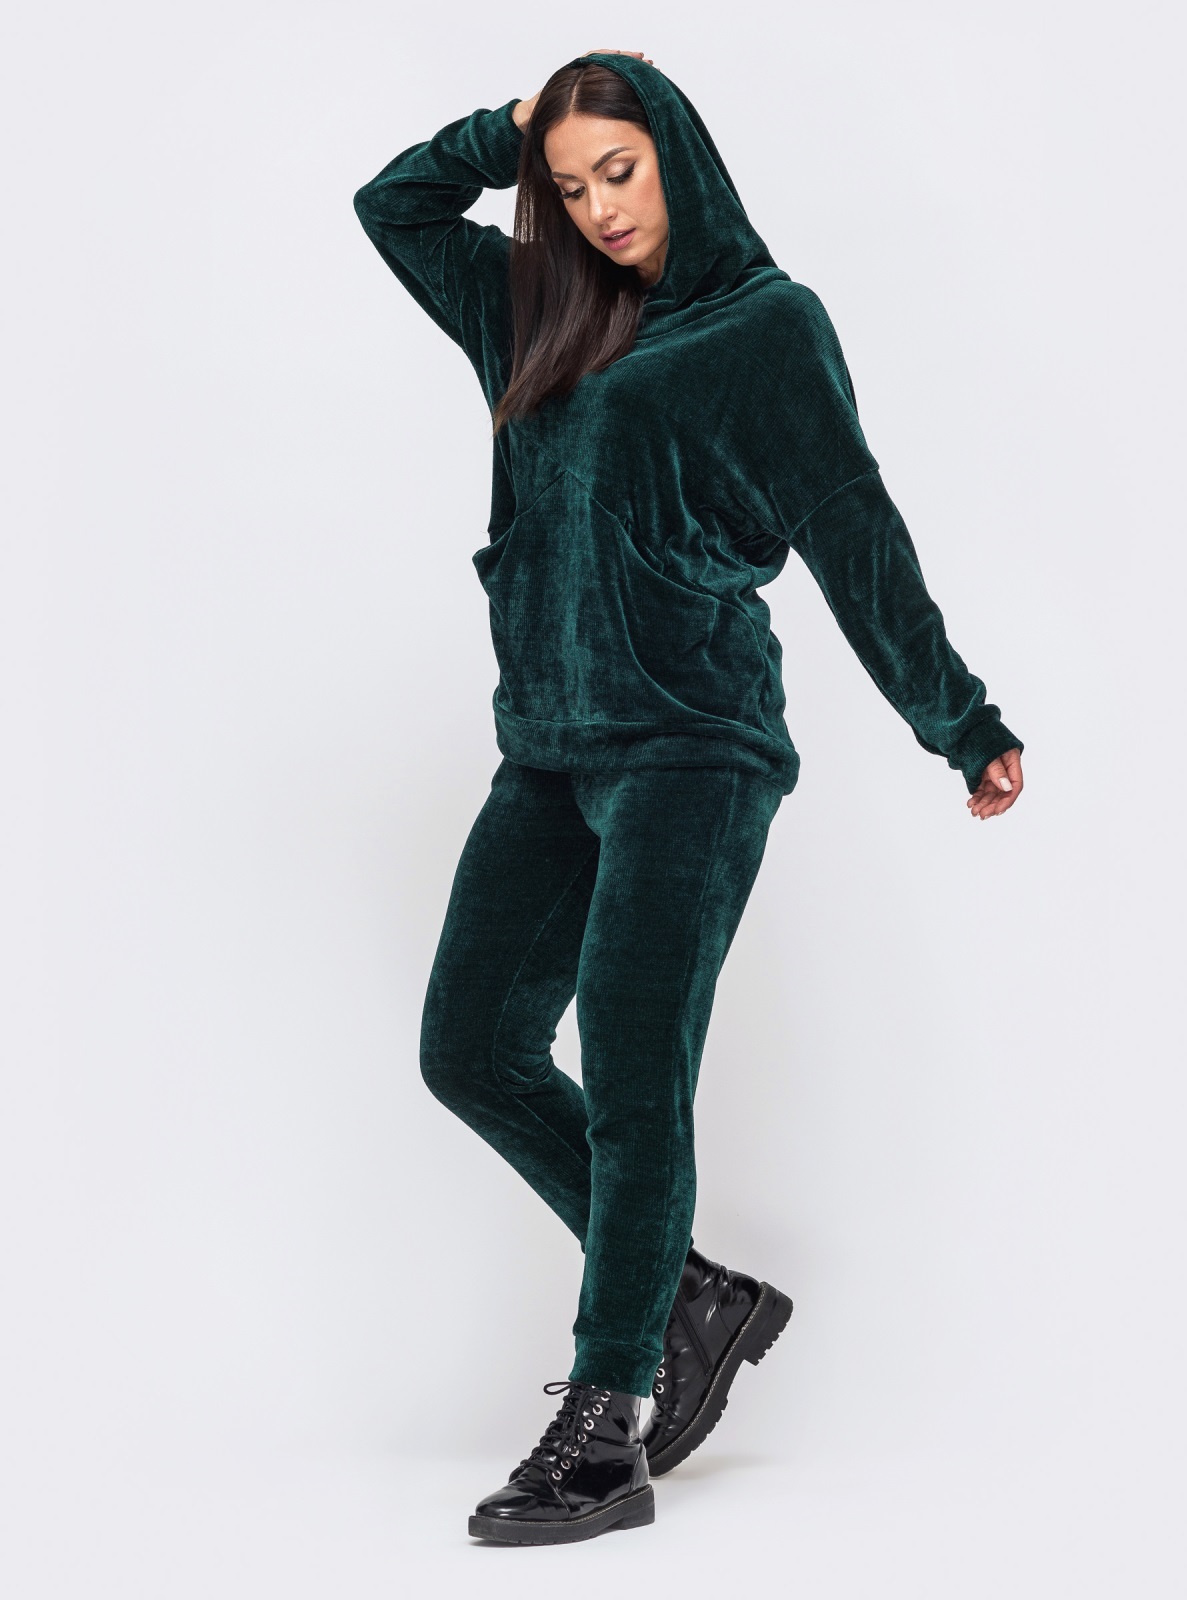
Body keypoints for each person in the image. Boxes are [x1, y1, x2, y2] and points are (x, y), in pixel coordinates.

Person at [352, 48, 1025, 1545]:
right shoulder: (535, 307)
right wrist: (504, 132)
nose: (600, 208)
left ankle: (610, 1423)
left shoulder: (767, 327)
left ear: (678, 156)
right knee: (470, 1047)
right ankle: (694, 1296)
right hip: (548, 747)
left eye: (622, 171)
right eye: (570, 184)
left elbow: (855, 533)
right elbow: (390, 206)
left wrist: (957, 718)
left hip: (695, 746)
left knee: (632, 1053)